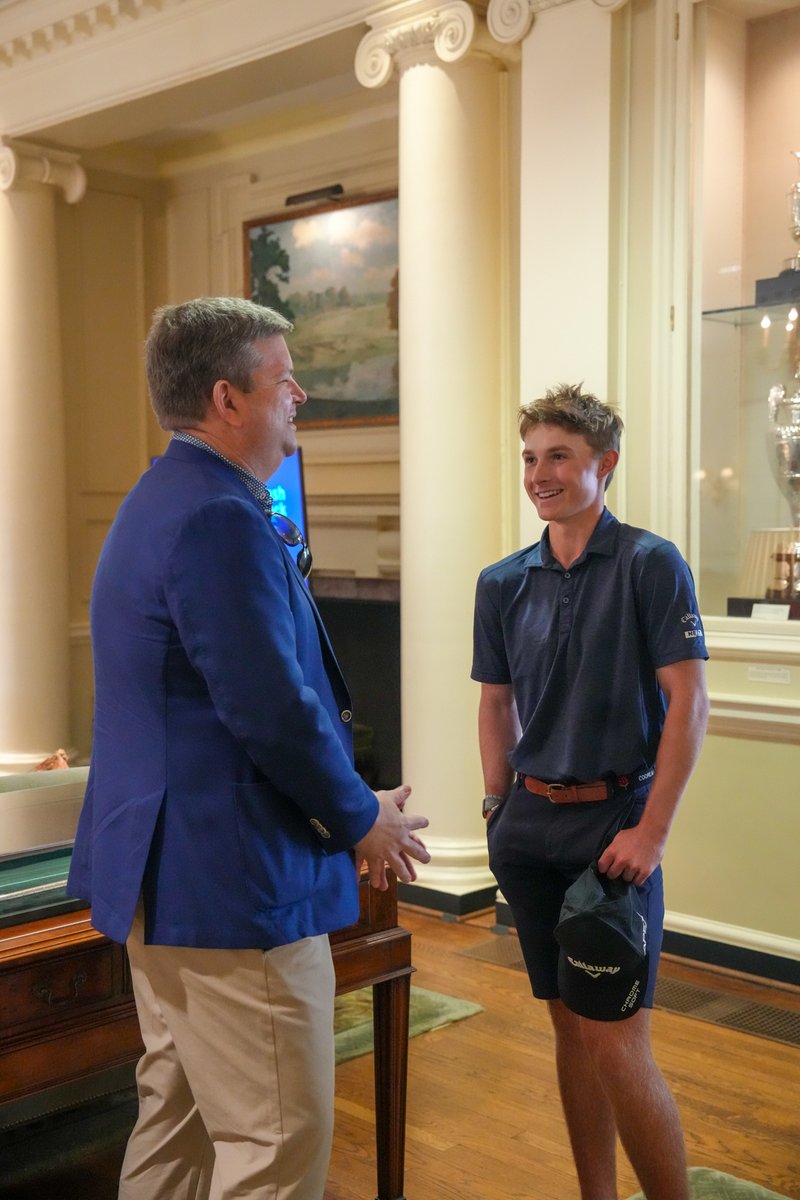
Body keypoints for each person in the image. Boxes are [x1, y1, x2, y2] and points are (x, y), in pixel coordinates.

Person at [67, 296, 430, 1200]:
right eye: (283, 377)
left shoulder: (164, 498)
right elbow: (268, 708)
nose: (300, 392)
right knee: (275, 1143)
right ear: (228, 399)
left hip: (173, 879)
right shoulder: (219, 518)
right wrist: (359, 816)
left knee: (180, 1125)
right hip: (232, 888)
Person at [471, 383, 709, 1200]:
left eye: (559, 456)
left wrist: (651, 833)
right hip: (528, 830)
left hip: (614, 832)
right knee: (570, 1031)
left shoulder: (650, 564)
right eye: (531, 457)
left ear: (604, 464)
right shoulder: (502, 583)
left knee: (616, 1043)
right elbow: (495, 702)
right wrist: (497, 805)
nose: (540, 473)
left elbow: (690, 702)